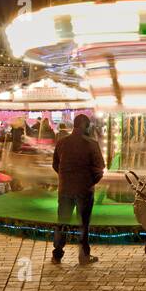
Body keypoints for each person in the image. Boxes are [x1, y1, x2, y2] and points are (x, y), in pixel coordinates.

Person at [51, 113, 104, 264]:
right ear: (86, 126)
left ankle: (57, 254)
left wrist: (65, 178)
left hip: (65, 189)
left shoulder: (62, 142)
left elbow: (55, 165)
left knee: (62, 221)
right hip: (84, 190)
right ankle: (83, 256)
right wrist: (90, 182)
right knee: (83, 224)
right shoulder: (91, 143)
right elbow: (99, 168)